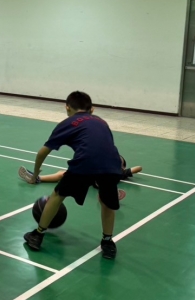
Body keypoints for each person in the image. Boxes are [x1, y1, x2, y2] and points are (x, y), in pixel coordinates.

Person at [23, 91, 122, 260]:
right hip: (112, 164)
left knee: (57, 195)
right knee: (107, 203)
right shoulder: (102, 122)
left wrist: (35, 175)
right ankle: (108, 243)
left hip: (84, 163)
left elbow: (42, 152)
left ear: (67, 107)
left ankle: (37, 235)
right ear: (92, 109)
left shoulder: (68, 123)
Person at [19, 156, 139, 202]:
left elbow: (139, 168)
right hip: (92, 178)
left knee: (107, 183)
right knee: (64, 173)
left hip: (104, 182)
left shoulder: (121, 173)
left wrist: (123, 170)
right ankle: (37, 178)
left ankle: (109, 195)